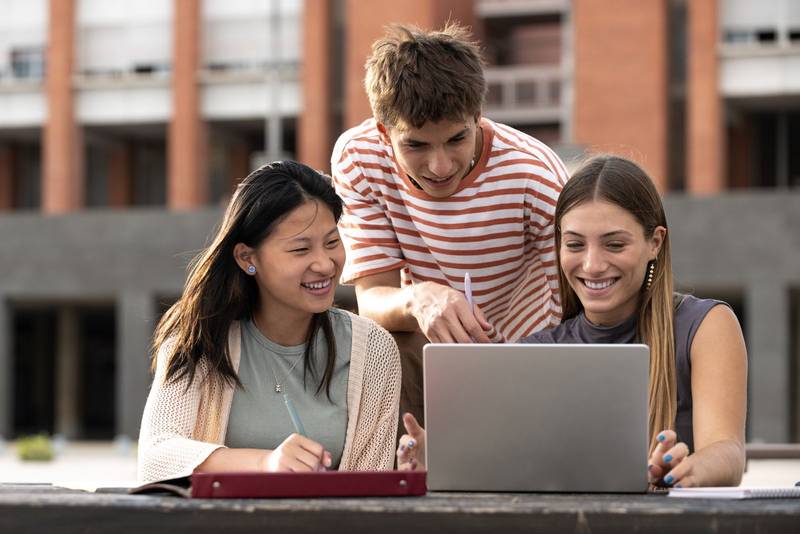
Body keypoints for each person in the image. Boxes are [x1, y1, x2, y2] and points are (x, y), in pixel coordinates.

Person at [397, 155, 747, 489]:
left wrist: (687, 469)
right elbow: (511, 464)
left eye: (614, 244)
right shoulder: (533, 353)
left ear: (655, 242)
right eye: (575, 244)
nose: (592, 265)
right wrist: (438, 459)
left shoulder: (705, 325)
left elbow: (727, 451)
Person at [331, 23, 569, 425]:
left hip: (530, 358)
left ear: (478, 117)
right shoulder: (358, 158)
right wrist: (417, 298)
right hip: (427, 353)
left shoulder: (536, 175)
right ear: (383, 132)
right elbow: (373, 300)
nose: (440, 167)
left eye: (457, 139)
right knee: (376, 342)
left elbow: (575, 314)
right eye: (416, 145)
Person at [137, 161, 401, 484]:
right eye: (301, 249)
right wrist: (265, 464)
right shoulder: (200, 336)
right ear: (248, 258)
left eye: (332, 242)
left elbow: (368, 490)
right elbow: (155, 457)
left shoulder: (374, 350)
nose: (324, 263)